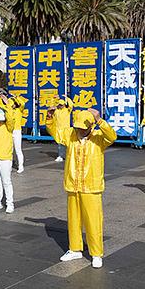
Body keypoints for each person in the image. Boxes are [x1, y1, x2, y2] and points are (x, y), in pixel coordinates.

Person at [46, 107, 116, 269]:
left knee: (93, 221)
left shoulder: (99, 138)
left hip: (91, 186)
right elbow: (56, 132)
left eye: (83, 128)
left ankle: (96, 253)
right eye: (78, 127)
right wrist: (49, 118)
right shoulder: (70, 134)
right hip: (73, 184)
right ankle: (75, 249)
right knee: (74, 220)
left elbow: (112, 136)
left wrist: (99, 120)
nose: (80, 130)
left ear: (91, 126)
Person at [11, 92, 28, 172]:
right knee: (9, 150)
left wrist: (16, 97)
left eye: (13, 103)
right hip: (9, 131)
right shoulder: (9, 111)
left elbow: (23, 104)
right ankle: (9, 166)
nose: (12, 105)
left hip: (17, 131)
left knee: (18, 149)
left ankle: (20, 166)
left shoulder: (19, 110)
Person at [51, 98, 71, 163]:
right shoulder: (56, 111)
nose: (61, 106)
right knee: (60, 144)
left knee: (68, 144)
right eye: (60, 104)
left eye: (62, 104)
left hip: (66, 130)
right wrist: (54, 99)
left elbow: (71, 104)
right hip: (58, 130)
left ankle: (70, 156)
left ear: (65, 104)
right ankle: (60, 156)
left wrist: (66, 98)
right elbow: (51, 107)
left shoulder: (67, 110)